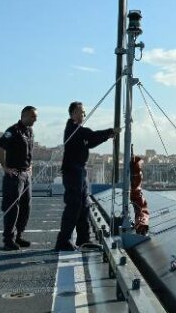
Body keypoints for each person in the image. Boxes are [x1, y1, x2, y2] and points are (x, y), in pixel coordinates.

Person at [54, 101, 118, 251]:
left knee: (84, 206)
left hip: (79, 171)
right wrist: (109, 132)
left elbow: (90, 142)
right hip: (73, 171)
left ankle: (84, 239)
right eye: (81, 111)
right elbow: (91, 135)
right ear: (73, 113)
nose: (84, 114)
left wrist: (107, 135)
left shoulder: (77, 131)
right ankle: (63, 241)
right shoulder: (73, 129)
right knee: (74, 205)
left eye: (84, 112)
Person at [0, 105, 37, 251]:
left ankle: (19, 235)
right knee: (12, 207)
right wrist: (5, 167)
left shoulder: (30, 132)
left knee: (26, 206)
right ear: (24, 116)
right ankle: (8, 240)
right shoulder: (13, 130)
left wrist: (30, 165)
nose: (35, 119)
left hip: (26, 174)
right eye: (33, 116)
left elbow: (28, 152)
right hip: (15, 176)